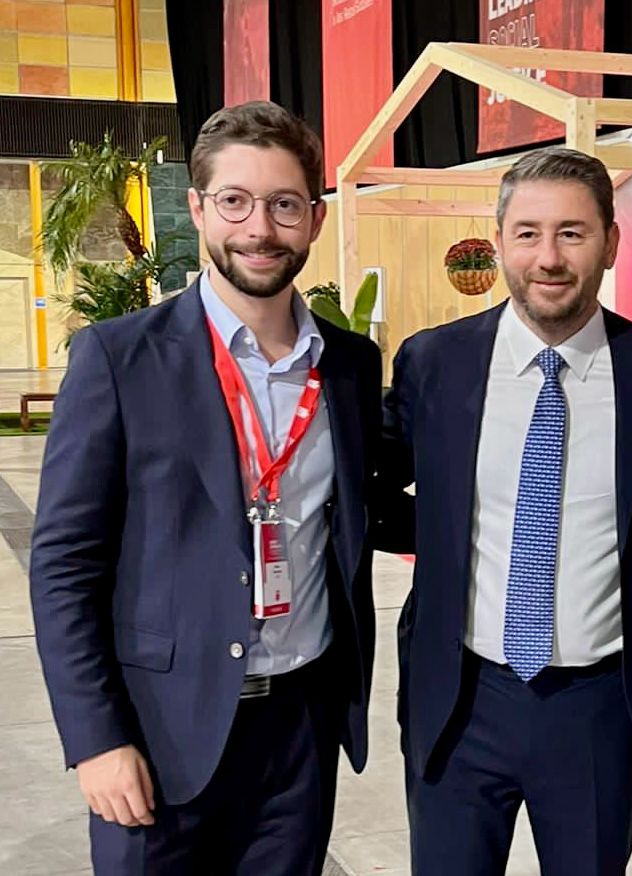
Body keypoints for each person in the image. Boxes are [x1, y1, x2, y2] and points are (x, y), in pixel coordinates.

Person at [30, 101, 385, 874]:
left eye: (284, 204)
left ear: (315, 218)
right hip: (158, 729)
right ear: (197, 209)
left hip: (299, 727)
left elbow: (365, 511)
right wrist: (96, 738)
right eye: (235, 201)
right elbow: (63, 565)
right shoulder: (120, 359)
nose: (260, 228)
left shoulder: (350, 367)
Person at [383, 146, 632, 875]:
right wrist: (436, 540)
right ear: (499, 242)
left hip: (599, 706)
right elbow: (371, 482)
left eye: (572, 233)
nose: (548, 258)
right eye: (527, 233)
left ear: (610, 243)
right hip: (460, 699)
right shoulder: (434, 362)